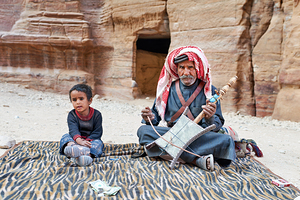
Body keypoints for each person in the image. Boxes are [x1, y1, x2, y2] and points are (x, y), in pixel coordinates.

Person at [137, 45, 236, 171]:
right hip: (172, 134)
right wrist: (149, 117)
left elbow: (216, 126)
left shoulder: (209, 91)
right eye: (181, 68)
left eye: (190, 67)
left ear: (197, 69)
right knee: (143, 131)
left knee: (225, 141)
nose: (186, 73)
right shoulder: (168, 89)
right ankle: (196, 159)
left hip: (198, 136)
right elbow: (155, 118)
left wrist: (210, 118)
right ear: (176, 69)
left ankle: (165, 153)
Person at [59, 84, 104, 166]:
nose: (78, 102)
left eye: (81, 99)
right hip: (76, 141)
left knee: (99, 143)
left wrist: (87, 141)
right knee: (65, 137)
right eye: (74, 100)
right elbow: (73, 130)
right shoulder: (72, 115)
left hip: (89, 142)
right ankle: (75, 150)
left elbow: (97, 132)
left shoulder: (97, 115)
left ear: (90, 100)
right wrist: (78, 140)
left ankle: (85, 155)